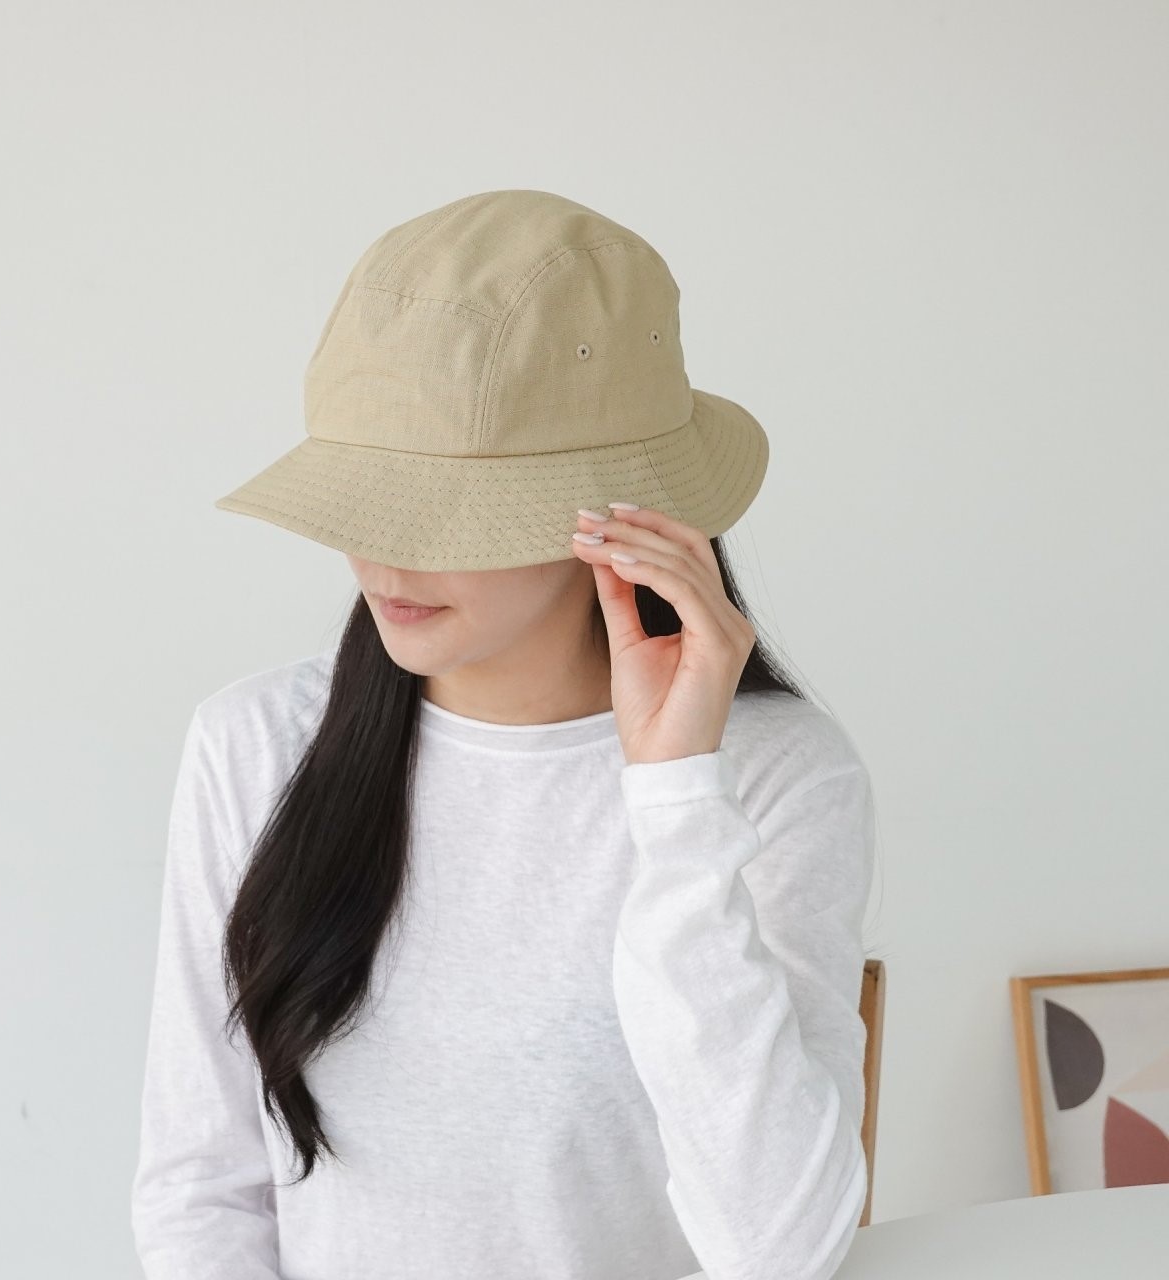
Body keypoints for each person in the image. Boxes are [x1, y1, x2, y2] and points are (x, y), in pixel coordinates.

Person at [131, 189, 878, 1280]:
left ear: (621, 516)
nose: (382, 557)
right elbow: (200, 1184)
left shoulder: (772, 776)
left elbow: (779, 1247)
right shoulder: (253, 747)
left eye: (440, 510)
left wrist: (675, 797)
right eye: (361, 500)